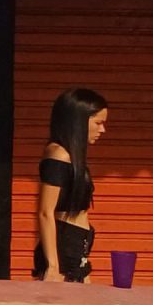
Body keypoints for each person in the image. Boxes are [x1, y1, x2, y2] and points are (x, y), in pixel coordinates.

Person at [34, 87, 110, 283]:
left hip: (76, 251)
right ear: (79, 121)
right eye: (98, 123)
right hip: (63, 253)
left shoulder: (71, 156)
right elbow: (45, 212)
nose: (102, 130)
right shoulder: (58, 155)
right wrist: (53, 266)